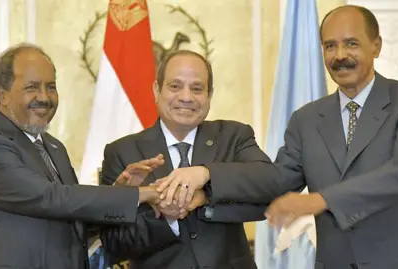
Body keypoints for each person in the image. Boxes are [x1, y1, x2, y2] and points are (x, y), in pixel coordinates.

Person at [156, 5, 398, 269]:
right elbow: (275, 181)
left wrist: (321, 200)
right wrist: (207, 181)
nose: (340, 55)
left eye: (351, 43)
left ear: (376, 45)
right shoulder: (307, 119)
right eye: (329, 45)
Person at [0, 43, 161, 269]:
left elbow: (72, 216)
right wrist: (138, 194)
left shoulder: (54, 148)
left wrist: (118, 192)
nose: (44, 97)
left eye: (51, 87)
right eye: (32, 87)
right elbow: (50, 198)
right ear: (2, 94)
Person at [99, 50, 273, 269]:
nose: (186, 97)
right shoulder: (122, 152)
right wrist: (165, 216)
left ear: (209, 95)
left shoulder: (234, 137)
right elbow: (114, 243)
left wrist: (206, 182)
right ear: (156, 90)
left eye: (197, 88)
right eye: (175, 86)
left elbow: (269, 187)